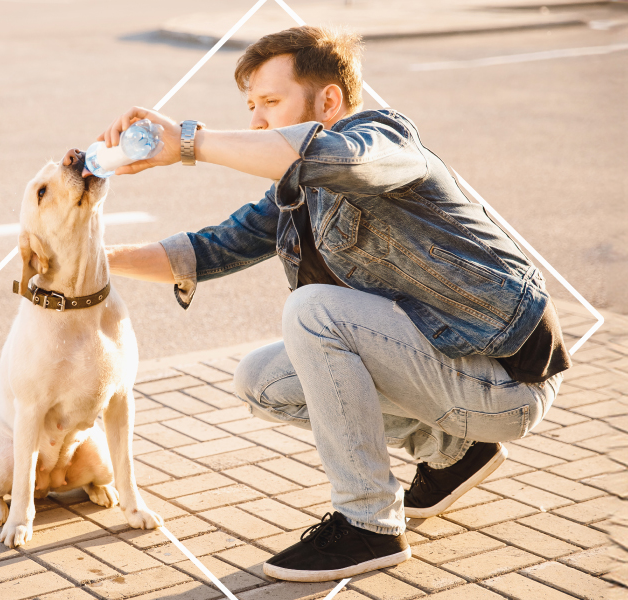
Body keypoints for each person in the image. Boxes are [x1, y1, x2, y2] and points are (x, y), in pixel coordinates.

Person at [97, 25, 569, 582]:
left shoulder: (386, 140)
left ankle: (368, 526)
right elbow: (207, 249)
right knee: (262, 379)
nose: (256, 121)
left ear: (328, 100)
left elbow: (346, 163)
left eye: (270, 102)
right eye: (251, 106)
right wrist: (84, 258)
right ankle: (452, 451)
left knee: (313, 311)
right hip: (451, 376)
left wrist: (189, 142)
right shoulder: (299, 192)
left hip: (507, 379)